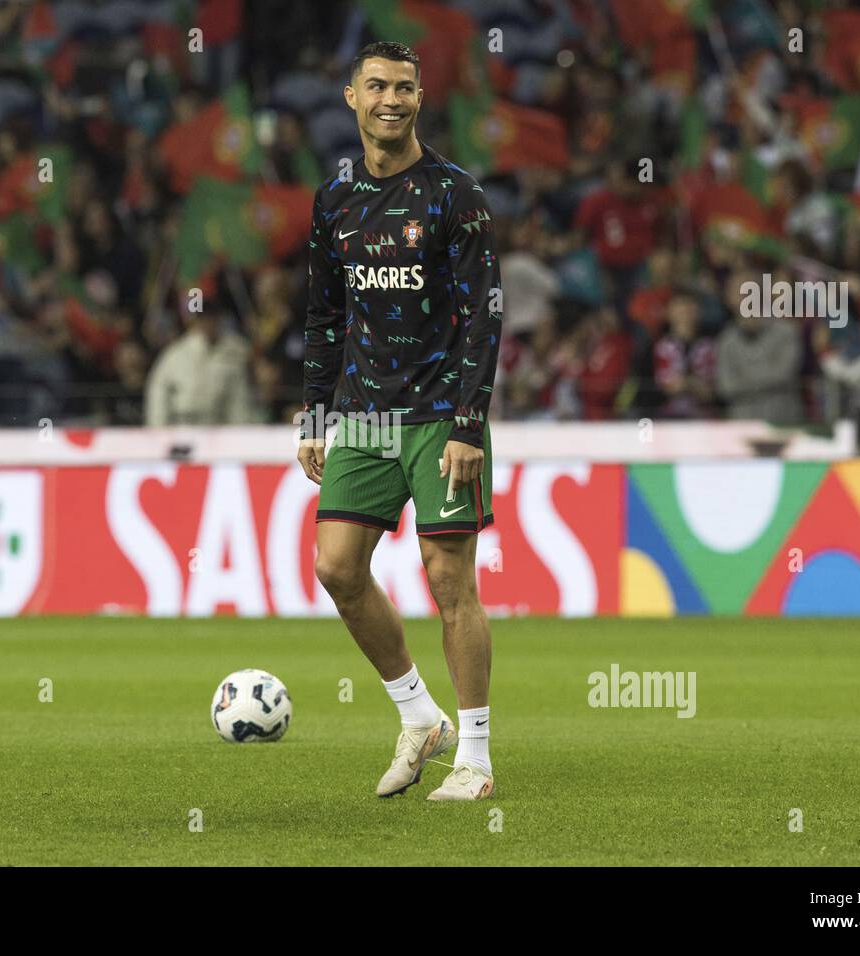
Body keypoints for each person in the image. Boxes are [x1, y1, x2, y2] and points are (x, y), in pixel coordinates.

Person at [297, 42, 503, 802]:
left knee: (450, 581)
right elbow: (324, 314)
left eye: (406, 87)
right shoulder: (335, 199)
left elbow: (486, 319)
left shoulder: (455, 194)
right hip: (362, 415)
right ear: (351, 97)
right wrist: (316, 412)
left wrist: (468, 426)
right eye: (377, 86)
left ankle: (475, 758)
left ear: (421, 98)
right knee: (337, 569)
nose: (392, 98)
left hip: (440, 412)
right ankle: (420, 717)